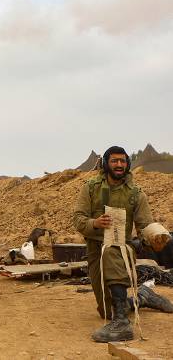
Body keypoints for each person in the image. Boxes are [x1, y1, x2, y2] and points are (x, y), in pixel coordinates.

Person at [72, 145, 173, 343]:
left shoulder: (136, 193)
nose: (119, 165)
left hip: (121, 249)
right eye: (114, 161)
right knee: (105, 310)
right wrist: (95, 223)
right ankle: (143, 297)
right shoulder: (91, 187)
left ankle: (122, 323)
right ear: (106, 164)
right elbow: (78, 219)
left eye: (123, 161)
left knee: (112, 250)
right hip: (95, 249)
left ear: (127, 164)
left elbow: (144, 225)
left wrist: (154, 238)